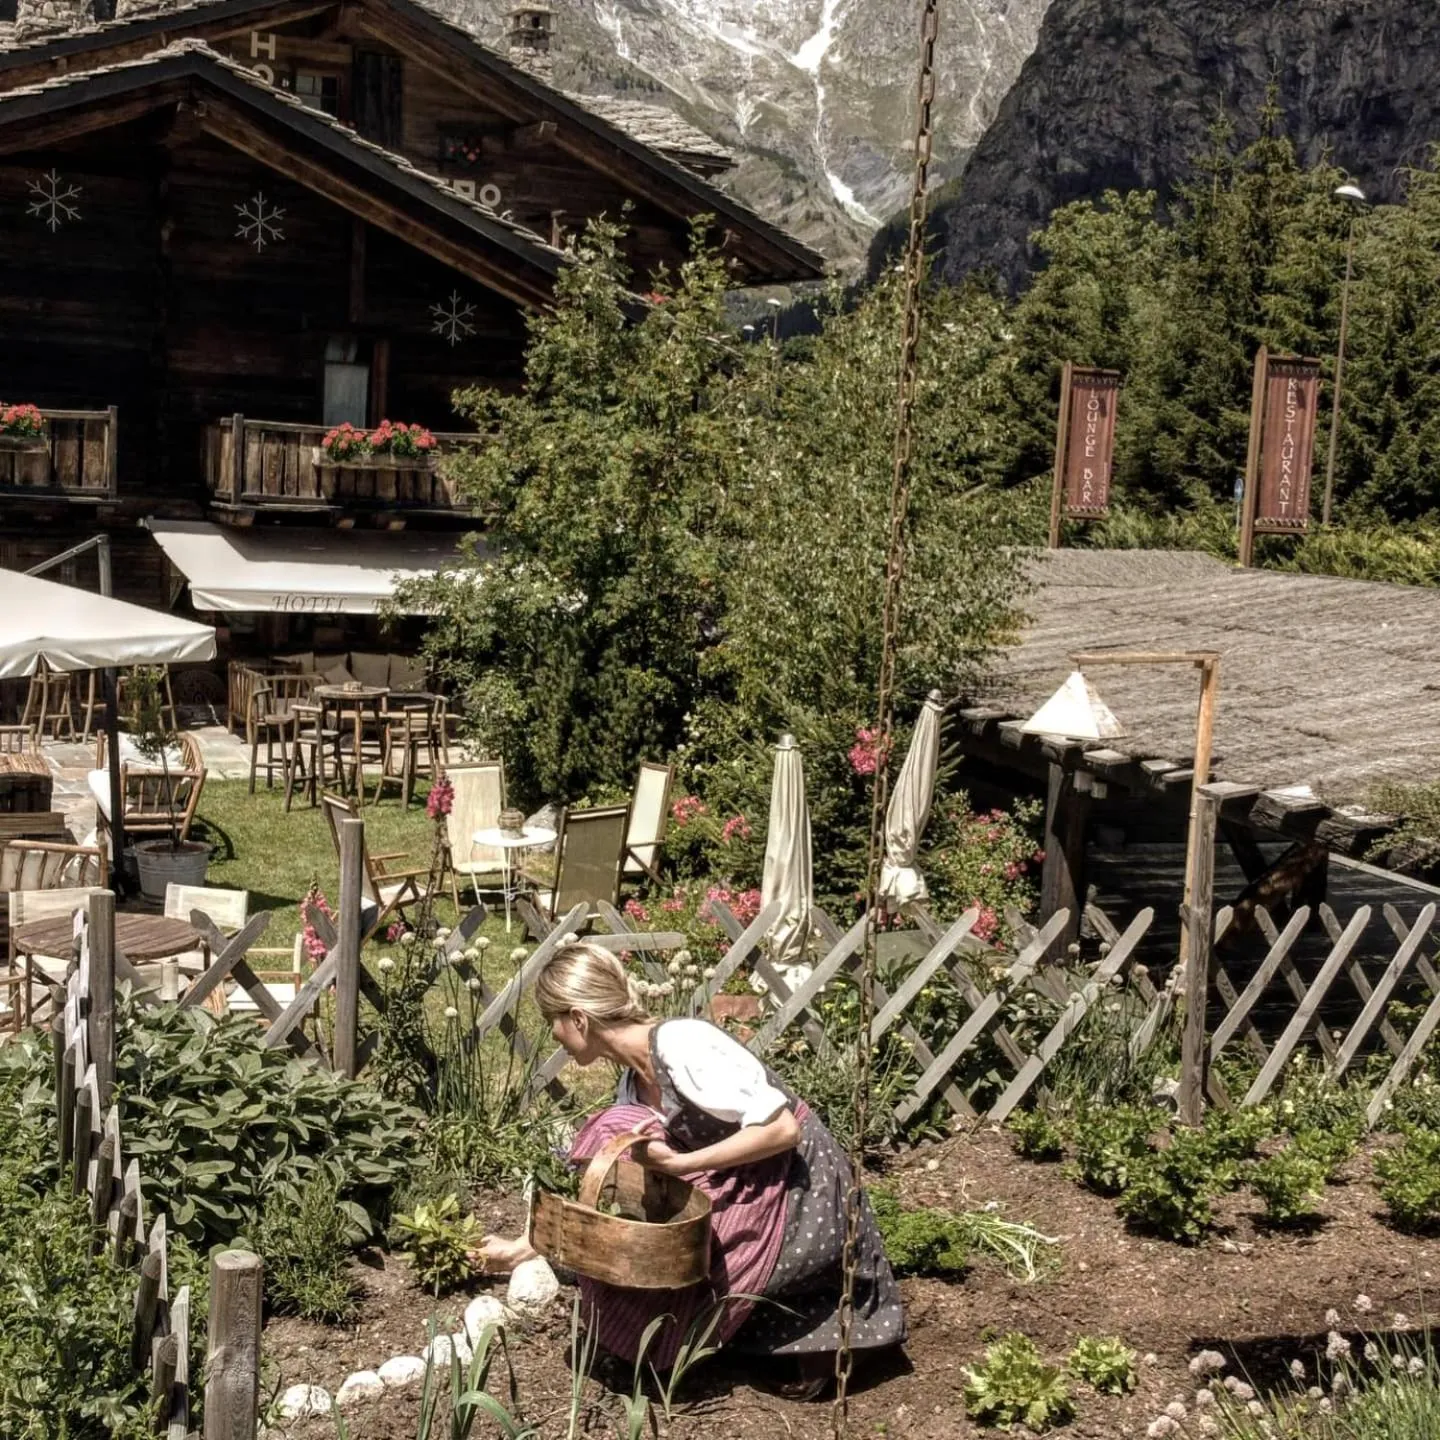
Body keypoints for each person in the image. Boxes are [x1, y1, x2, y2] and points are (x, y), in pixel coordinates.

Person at [475, 941, 906, 1396]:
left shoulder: (683, 1044)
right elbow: (610, 1183)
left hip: (795, 1184)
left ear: (579, 1018)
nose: (554, 1035)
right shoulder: (632, 1085)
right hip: (737, 1177)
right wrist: (524, 1248)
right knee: (626, 1157)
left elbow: (782, 1130)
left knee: (705, 1286)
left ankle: (818, 1336)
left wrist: (683, 1163)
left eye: (552, 1021)